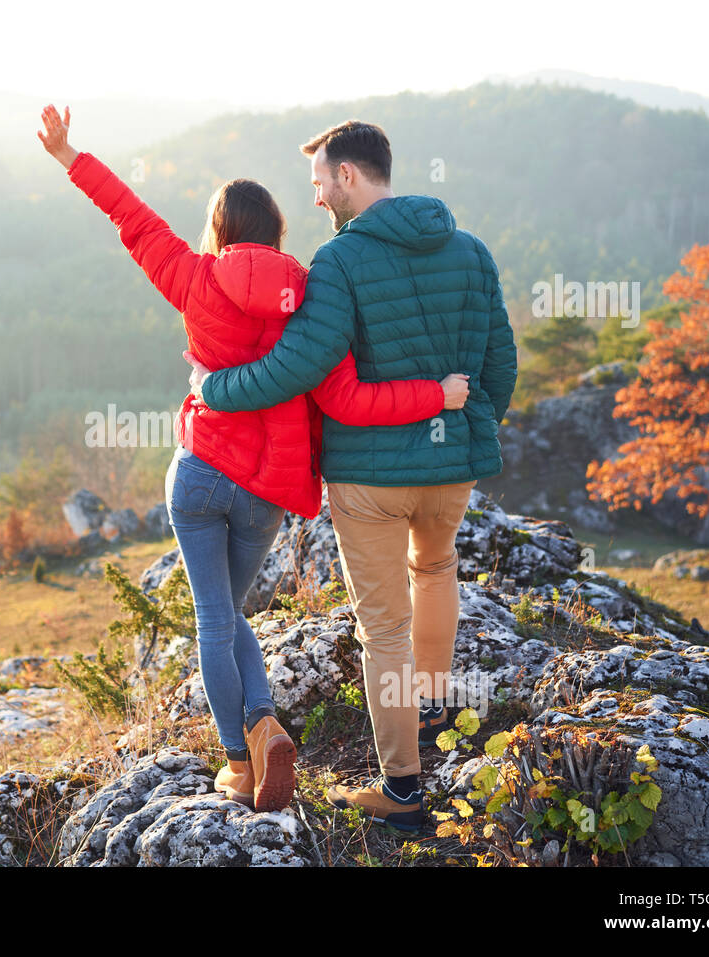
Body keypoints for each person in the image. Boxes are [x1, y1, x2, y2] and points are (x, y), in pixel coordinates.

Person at [38, 105, 471, 813]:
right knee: (230, 609)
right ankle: (263, 723)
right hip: (267, 491)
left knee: (216, 617)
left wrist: (68, 156)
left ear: (219, 231)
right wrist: (431, 396)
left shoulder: (192, 276)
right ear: (276, 234)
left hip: (202, 471)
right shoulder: (310, 289)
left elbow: (131, 216)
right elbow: (342, 383)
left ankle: (243, 757)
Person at [189, 119, 518, 831]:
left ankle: (402, 789)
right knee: (434, 570)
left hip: (370, 478)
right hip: (451, 465)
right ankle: (430, 708)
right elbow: (501, 365)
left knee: (383, 627)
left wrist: (214, 390)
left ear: (348, 176)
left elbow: (299, 366)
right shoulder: (471, 251)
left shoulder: (339, 262)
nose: (315, 201)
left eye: (319, 183)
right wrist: (467, 426)